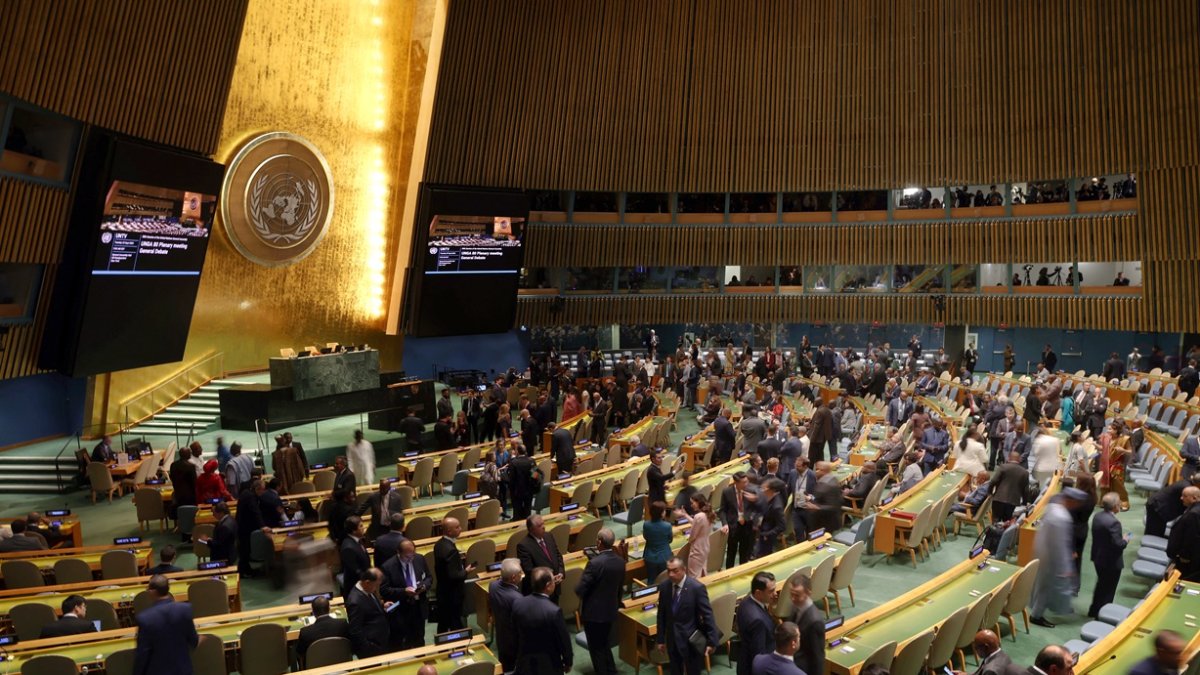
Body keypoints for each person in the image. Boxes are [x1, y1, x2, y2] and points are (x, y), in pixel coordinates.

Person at [1029, 487, 1089, 627]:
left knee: (1042, 586)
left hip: (1042, 552)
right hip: (1051, 558)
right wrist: (1066, 567)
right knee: (1046, 587)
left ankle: (1037, 612)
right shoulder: (1062, 518)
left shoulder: (1053, 508)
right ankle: (1036, 615)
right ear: (1072, 501)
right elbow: (1060, 545)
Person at [655, 556, 719, 675]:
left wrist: (712, 641)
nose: (671, 574)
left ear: (683, 569)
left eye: (675, 571)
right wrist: (660, 640)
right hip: (672, 640)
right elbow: (661, 615)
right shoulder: (664, 587)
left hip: (691, 641)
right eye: (669, 571)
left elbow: (708, 615)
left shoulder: (696, 588)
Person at [576, 528, 625, 675]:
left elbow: (580, 589)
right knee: (604, 643)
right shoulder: (620, 562)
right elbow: (620, 588)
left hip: (593, 614)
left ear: (599, 542)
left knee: (596, 648)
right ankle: (611, 671)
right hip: (610, 610)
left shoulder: (594, 563)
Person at [132, 575, 198, 675]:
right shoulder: (185, 609)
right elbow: (194, 641)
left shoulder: (144, 618)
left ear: (153, 592)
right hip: (183, 671)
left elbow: (143, 654)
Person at [513, 567, 573, 673]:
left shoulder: (518, 603)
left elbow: (514, 631)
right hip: (549, 665)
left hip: (524, 662)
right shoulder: (554, 611)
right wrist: (568, 662)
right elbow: (564, 641)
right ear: (548, 586)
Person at [379, 538, 430, 649]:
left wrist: (424, 586)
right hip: (400, 610)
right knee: (402, 642)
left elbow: (429, 578)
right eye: (407, 557)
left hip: (418, 606)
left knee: (419, 639)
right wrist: (404, 591)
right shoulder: (388, 567)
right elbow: (384, 590)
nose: (411, 559)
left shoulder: (419, 559)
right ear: (398, 552)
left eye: (413, 555)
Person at [1087, 492, 1129, 618]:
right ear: (1115, 506)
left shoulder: (1097, 516)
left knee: (1101, 585)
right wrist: (1125, 540)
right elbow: (1118, 545)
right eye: (1119, 503)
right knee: (1108, 590)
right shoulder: (1114, 523)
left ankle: (1094, 610)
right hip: (1111, 562)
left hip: (1098, 557)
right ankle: (1102, 615)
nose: (1120, 504)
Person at [434, 516, 475, 631]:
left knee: (443, 623)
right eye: (457, 527)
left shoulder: (439, 544)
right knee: (455, 623)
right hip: (452, 594)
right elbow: (453, 575)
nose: (460, 529)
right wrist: (466, 571)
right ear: (449, 531)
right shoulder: (450, 550)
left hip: (442, 591)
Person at [735, 571, 777, 675]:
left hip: (744, 660)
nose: (775, 594)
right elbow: (759, 657)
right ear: (758, 593)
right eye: (771, 591)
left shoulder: (745, 601)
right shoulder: (758, 621)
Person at [487, 558, 524, 673]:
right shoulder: (517, 599)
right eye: (520, 573)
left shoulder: (492, 586)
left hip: (501, 637)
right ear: (513, 577)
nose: (522, 574)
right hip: (515, 643)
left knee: (504, 667)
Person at [347, 568, 391, 658]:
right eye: (376, 585)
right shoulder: (355, 602)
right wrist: (369, 648)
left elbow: (369, 609)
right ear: (367, 582)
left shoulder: (367, 589)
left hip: (379, 642)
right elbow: (355, 631)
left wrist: (382, 607)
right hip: (371, 649)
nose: (377, 588)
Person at [517, 514, 565, 597]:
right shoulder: (523, 546)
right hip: (539, 591)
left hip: (555, 587)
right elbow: (529, 571)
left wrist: (561, 573)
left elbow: (558, 556)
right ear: (531, 529)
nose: (543, 527)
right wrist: (549, 579)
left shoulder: (549, 536)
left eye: (543, 523)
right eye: (539, 526)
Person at [296, 595, 351, 667]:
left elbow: (299, 653)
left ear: (313, 611)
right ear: (329, 608)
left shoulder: (305, 632)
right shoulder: (343, 624)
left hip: (316, 669)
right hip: (342, 666)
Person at [787, 574, 825, 675]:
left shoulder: (815, 621)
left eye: (797, 595)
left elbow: (818, 657)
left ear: (808, 593)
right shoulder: (795, 606)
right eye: (791, 594)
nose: (793, 598)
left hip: (804, 670)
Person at [234, 480, 271, 576]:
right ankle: (242, 571)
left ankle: (246, 569)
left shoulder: (246, 492)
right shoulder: (250, 497)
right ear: (257, 489)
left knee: (244, 550)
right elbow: (256, 512)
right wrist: (263, 526)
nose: (263, 492)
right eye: (262, 490)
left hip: (241, 524)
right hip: (244, 527)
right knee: (245, 550)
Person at [1167, 486, 1200, 581]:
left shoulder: (1193, 514)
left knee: (1180, 580)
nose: (1181, 498)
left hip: (1186, 560)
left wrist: (1185, 556)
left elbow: (1191, 537)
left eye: (1185, 496)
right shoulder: (1194, 509)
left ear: (1194, 498)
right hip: (1188, 557)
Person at [676, 493, 713, 578]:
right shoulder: (709, 513)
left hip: (697, 549)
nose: (691, 505)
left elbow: (693, 536)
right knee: (703, 572)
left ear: (698, 502)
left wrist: (688, 538)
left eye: (692, 503)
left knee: (694, 575)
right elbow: (697, 523)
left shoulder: (698, 516)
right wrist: (685, 515)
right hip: (705, 547)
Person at [988, 451, 1029, 523]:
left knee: (995, 520)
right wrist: (1024, 502)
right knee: (1007, 521)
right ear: (1019, 459)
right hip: (1013, 501)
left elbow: (993, 481)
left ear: (1009, 458)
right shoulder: (1025, 472)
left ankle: (994, 529)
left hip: (999, 498)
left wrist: (990, 492)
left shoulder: (1003, 467)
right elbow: (1025, 490)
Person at [955, 629, 1019, 675]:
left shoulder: (991, 671)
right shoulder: (1002, 655)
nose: (975, 651)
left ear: (985, 647)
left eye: (976, 648)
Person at [643, 500, 674, 583]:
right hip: (664, 557)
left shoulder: (646, 524)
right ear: (661, 513)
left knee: (651, 580)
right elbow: (670, 540)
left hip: (650, 557)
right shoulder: (667, 526)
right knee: (665, 581)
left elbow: (646, 537)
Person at [340, 516, 370, 598]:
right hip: (356, 591)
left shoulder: (358, 540)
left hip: (364, 586)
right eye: (361, 526)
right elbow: (356, 571)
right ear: (353, 530)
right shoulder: (348, 548)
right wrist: (370, 579)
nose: (363, 528)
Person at [756, 478, 786, 557]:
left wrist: (767, 534)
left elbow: (782, 526)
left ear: (770, 489)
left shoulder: (777, 507)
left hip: (767, 535)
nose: (762, 488)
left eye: (764, 487)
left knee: (762, 556)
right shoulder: (767, 497)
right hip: (761, 530)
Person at [168, 449, 198, 517]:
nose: (191, 454)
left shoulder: (173, 465)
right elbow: (194, 482)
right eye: (189, 453)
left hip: (178, 494)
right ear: (186, 454)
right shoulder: (191, 466)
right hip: (190, 496)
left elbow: (172, 477)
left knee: (181, 513)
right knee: (190, 514)